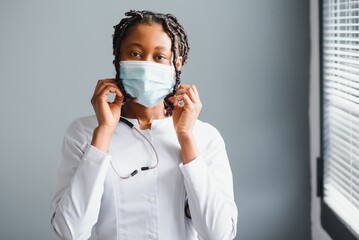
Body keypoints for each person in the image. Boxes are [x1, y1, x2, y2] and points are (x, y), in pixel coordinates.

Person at [50, 10, 238, 240]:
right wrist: (103, 134)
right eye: (136, 53)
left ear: (176, 64)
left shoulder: (206, 137)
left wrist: (186, 137)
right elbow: (69, 232)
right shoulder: (84, 133)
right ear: (119, 59)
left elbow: (219, 234)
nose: (146, 66)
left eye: (159, 57)